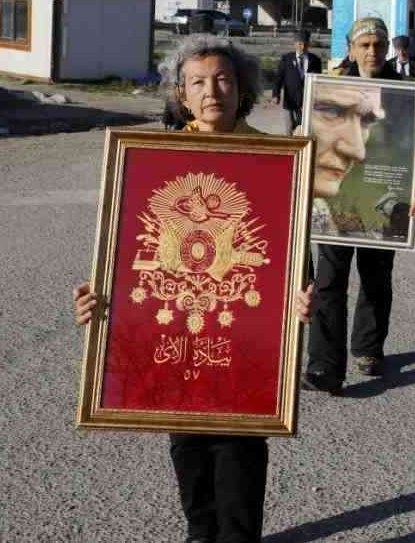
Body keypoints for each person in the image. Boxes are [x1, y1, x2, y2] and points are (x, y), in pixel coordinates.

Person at [73, 34, 316, 543]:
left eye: (224, 80)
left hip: (243, 337)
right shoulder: (152, 159)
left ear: (242, 88)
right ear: (182, 94)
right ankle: (200, 532)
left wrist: (300, 292)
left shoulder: (274, 160)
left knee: (241, 446)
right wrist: (99, 298)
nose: (212, 91)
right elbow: (126, 253)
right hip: (175, 338)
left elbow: (290, 250)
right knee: (187, 442)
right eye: (198, 82)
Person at [305, 17, 415, 394]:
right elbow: (314, 136)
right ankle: (325, 366)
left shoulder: (405, 91)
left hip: (383, 198)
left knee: (376, 280)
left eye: (378, 44)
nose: (372, 51)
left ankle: (368, 348)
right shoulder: (330, 88)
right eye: (365, 45)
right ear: (352, 48)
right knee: (328, 282)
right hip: (336, 196)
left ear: (387, 47)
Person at [271, 29, 323, 134]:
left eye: (305, 44)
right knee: (289, 129)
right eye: (300, 44)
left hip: (307, 102)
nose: (302, 47)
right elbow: (279, 78)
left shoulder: (316, 60)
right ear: (295, 44)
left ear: (308, 44)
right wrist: (276, 95)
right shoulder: (286, 59)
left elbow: (318, 82)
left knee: (304, 131)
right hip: (289, 101)